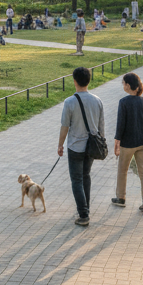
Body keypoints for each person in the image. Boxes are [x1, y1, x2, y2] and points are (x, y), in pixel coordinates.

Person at [58, 67, 103, 227]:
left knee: (76, 179)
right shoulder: (97, 100)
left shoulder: (69, 102)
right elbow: (101, 126)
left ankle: (83, 214)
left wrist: (60, 144)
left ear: (74, 81)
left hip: (75, 147)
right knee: (86, 176)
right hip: (91, 147)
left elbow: (65, 126)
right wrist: (101, 143)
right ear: (89, 80)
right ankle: (85, 209)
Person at [112, 73, 143, 214]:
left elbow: (120, 124)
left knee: (122, 170)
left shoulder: (123, 102)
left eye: (123, 83)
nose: (123, 85)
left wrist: (117, 142)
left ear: (128, 85)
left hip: (128, 143)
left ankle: (121, 197)